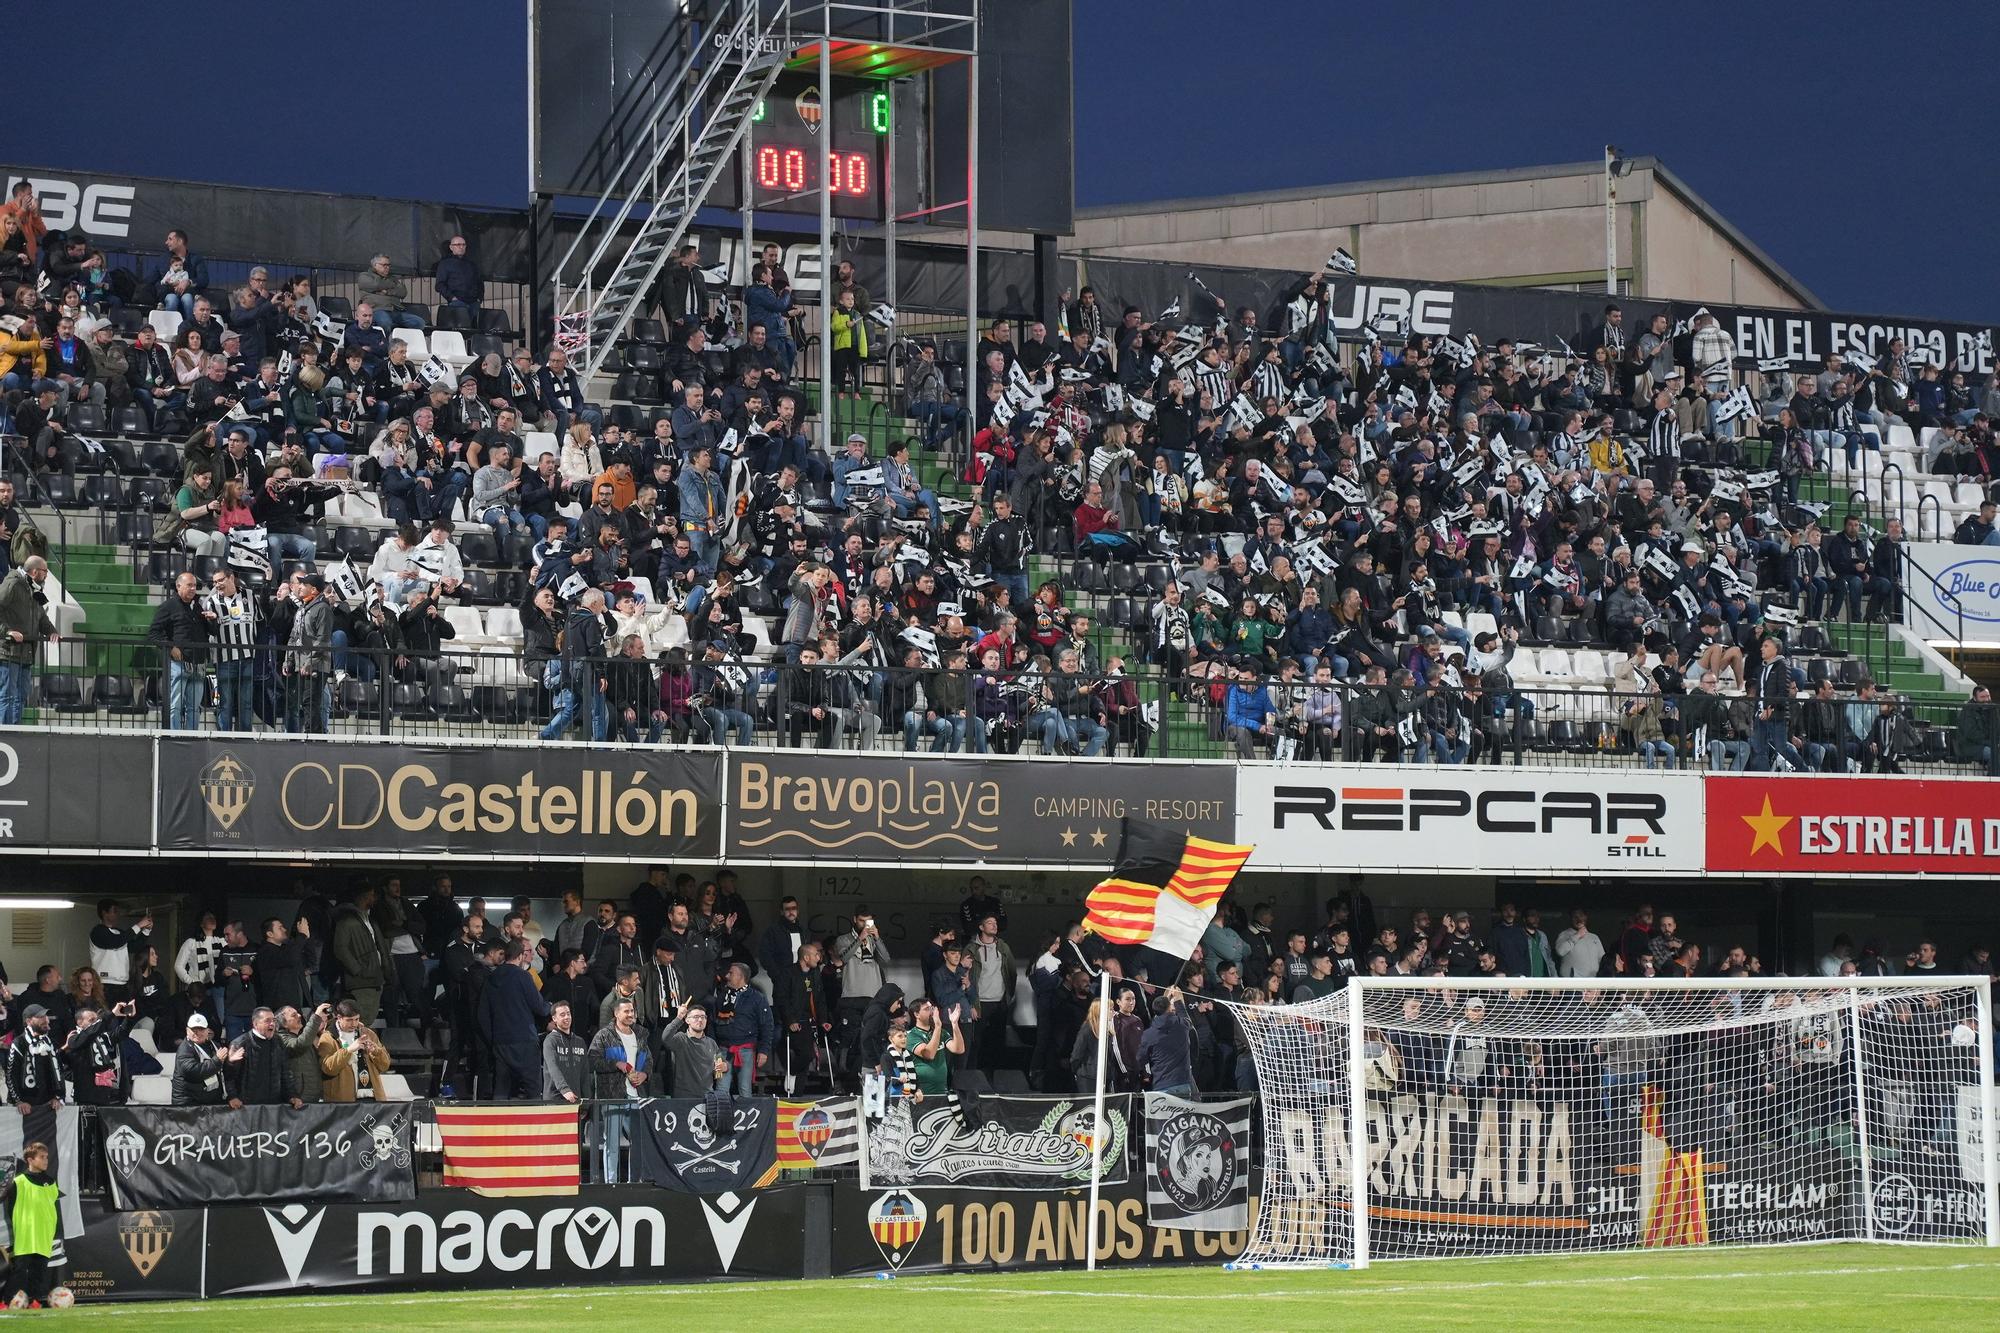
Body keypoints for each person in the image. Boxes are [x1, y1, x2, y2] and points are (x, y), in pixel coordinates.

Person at [588, 998, 653, 1182]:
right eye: (626, 1011)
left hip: (636, 1097)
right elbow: (592, 1060)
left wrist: (645, 1075)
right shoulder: (604, 1035)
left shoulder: (640, 1035)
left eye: (632, 1011)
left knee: (638, 1142)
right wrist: (616, 1064)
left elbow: (649, 1061)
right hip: (611, 1097)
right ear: (616, 1014)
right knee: (612, 1143)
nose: (631, 1014)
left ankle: (635, 1181)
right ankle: (612, 1183)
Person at [2, 1142, 60, 1309]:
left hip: (44, 1233)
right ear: (30, 1160)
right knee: (19, 1270)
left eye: (46, 1157)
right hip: (26, 1234)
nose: (46, 1160)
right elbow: (11, 1208)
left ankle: (34, 1300)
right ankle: (6, 1301)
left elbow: (51, 1207)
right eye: (42, 1157)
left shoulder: (51, 1182)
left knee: (39, 1271)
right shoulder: (18, 1182)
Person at [0, 557, 56, 726]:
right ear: (35, 571)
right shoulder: (13, 584)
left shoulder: (35, 588)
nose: (46, 575)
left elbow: (41, 616)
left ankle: (16, 733)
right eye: (45, 571)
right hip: (9, 651)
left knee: (22, 696)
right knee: (8, 696)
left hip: (27, 652)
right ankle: (5, 735)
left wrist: (52, 631)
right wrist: (7, 631)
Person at [711, 962, 774, 1096]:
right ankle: (719, 1116)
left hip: (746, 1051)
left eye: (731, 973)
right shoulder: (722, 997)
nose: (727, 976)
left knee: (745, 1089)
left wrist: (764, 1051)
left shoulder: (757, 998)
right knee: (721, 1089)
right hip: (722, 1051)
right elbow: (712, 1023)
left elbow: (767, 1025)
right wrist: (712, 1049)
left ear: (740, 976)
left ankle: (746, 1116)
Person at [316, 1000, 392, 1102]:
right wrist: (349, 1050)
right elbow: (328, 1069)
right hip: (345, 1101)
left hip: (372, 1098)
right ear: (339, 1018)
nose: (354, 1024)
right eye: (349, 1020)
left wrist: (376, 1052)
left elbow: (385, 1066)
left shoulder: (368, 1033)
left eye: (357, 1019)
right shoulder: (328, 1037)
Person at [228, 1007, 303, 1109]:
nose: (272, 1024)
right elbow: (229, 1076)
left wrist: (292, 1095)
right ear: (255, 1024)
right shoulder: (240, 1044)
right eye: (267, 1021)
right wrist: (233, 1096)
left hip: (273, 1107)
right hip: (247, 1107)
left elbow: (286, 1073)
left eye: (274, 1020)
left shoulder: (278, 1042)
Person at [1139, 987, 1197, 1097]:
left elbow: (1141, 1058)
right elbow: (1187, 1022)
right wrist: (1178, 1000)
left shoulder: (1150, 1033)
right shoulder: (1182, 1025)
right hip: (1176, 1082)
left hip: (1171, 1082)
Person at [541, 1000, 589, 1103]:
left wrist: (587, 1100)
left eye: (568, 1014)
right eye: (562, 1015)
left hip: (575, 1100)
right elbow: (552, 1066)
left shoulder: (580, 1042)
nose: (566, 1017)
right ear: (554, 1019)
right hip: (555, 1100)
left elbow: (584, 1073)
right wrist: (564, 1089)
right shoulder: (550, 1040)